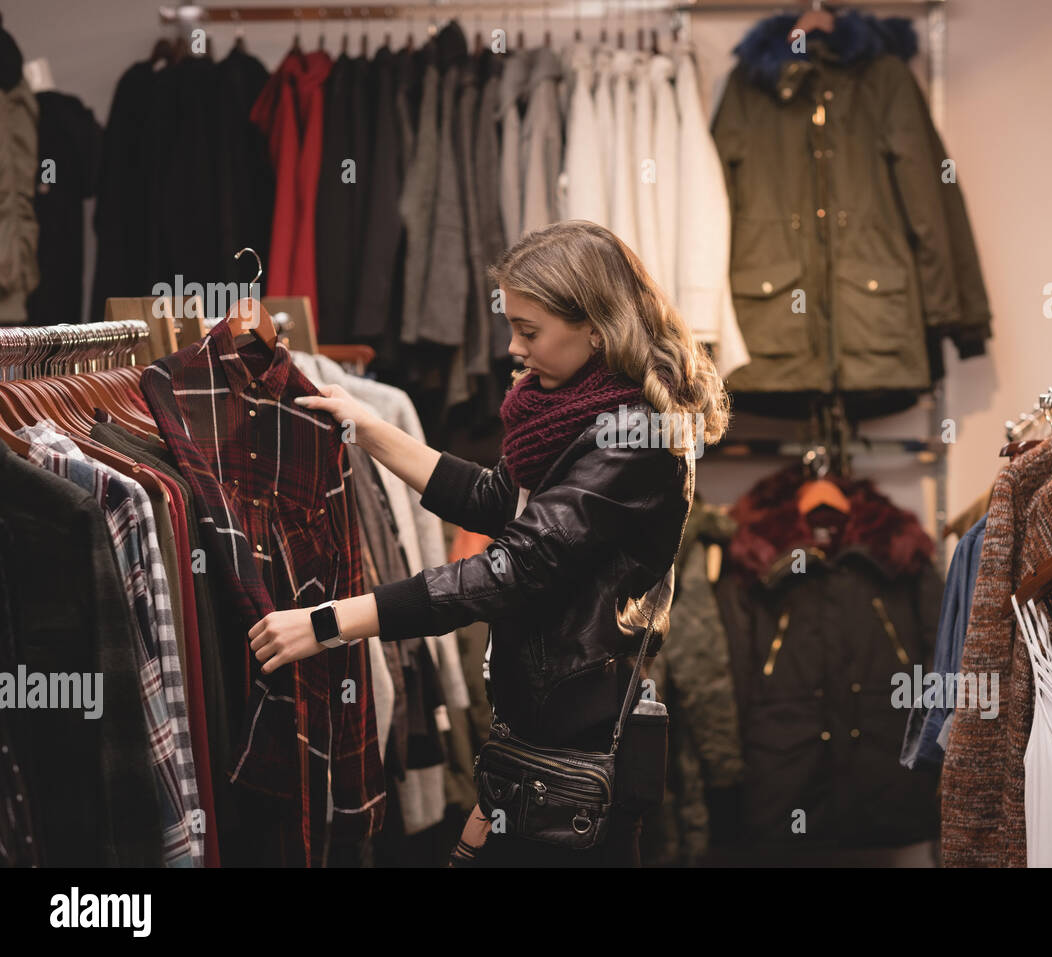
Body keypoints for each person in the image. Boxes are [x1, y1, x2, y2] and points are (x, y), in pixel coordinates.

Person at [246, 220, 730, 865]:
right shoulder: (577, 412)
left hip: (570, 766)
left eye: (528, 330)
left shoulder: (633, 438)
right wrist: (367, 426)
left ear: (596, 325)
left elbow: (514, 568)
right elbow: (496, 500)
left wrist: (332, 622)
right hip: (537, 747)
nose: (512, 347)